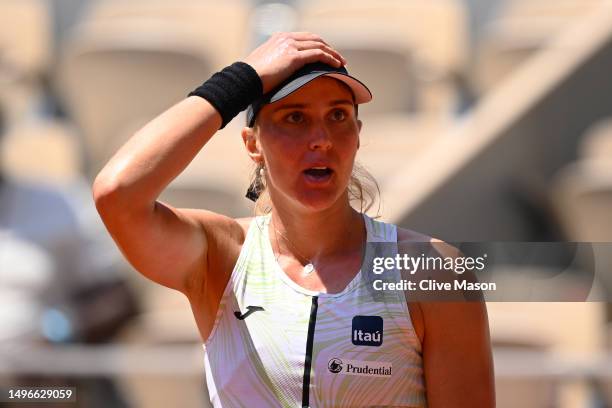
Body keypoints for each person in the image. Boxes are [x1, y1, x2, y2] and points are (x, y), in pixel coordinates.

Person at [93, 32, 495, 407]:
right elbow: (118, 194)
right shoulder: (223, 255)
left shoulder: (431, 269)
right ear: (253, 143)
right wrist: (239, 80)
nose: (321, 138)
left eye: (338, 116)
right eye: (295, 118)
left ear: (357, 134)